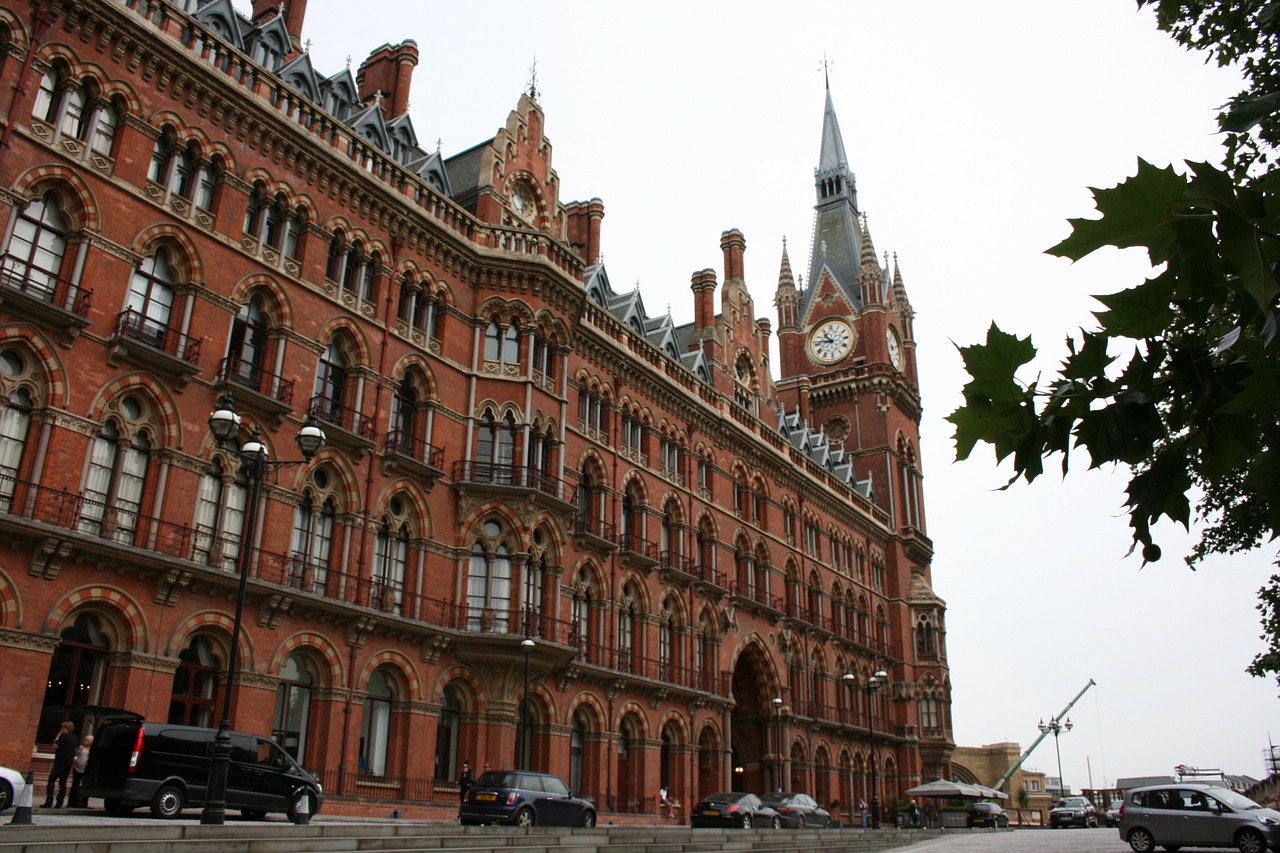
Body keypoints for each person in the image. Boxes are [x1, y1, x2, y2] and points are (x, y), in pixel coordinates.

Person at [42, 720, 78, 808]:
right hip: (69, 761)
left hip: (60, 761)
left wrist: (58, 737)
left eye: (62, 728)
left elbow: (55, 746)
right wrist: (73, 755)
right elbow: (79, 748)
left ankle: (49, 801)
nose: (61, 729)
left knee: (51, 780)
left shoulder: (64, 736)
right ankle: (59, 802)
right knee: (63, 781)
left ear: (66, 728)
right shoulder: (75, 737)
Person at [68, 734, 93, 808]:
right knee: (75, 785)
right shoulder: (81, 748)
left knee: (85, 785)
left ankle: (84, 802)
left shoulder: (92, 749)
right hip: (78, 768)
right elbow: (73, 754)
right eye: (85, 739)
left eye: (87, 740)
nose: (85, 741)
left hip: (86, 769)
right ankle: (71, 802)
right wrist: (75, 758)